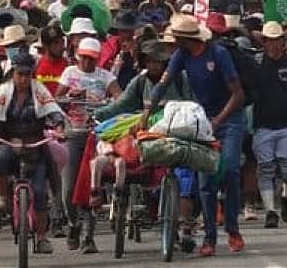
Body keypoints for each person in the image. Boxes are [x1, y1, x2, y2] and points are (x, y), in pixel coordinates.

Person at [140, 15, 245, 257]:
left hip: (229, 119)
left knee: (229, 170)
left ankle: (233, 229)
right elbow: (162, 85)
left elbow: (238, 94)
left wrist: (218, 120)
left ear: (186, 38)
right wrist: (145, 115)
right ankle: (209, 237)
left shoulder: (218, 54)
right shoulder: (181, 55)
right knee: (206, 179)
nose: (173, 42)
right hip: (202, 120)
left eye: (176, 38)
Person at [91, 37, 199, 252]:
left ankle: (186, 227)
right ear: (143, 62)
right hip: (147, 136)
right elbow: (121, 105)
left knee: (185, 178)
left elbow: (193, 102)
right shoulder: (139, 82)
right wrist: (98, 115)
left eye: (158, 61)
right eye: (149, 61)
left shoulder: (180, 79)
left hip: (177, 133)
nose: (154, 65)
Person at [0, 52, 65, 254]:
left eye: (27, 74)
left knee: (40, 192)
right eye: (20, 74)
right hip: (9, 142)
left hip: (34, 145)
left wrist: (58, 126)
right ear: (13, 73)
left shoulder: (39, 91)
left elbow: (53, 111)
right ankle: (4, 197)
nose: (23, 78)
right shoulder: (4, 92)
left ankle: (41, 238)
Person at [54, 36, 120, 254]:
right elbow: (56, 99)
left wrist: (106, 103)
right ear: (77, 56)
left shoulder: (105, 76)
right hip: (73, 133)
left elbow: (119, 97)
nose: (87, 63)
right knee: (69, 188)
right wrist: (71, 96)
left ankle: (89, 236)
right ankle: (74, 224)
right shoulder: (69, 73)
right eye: (84, 58)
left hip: (96, 135)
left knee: (92, 185)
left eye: (92, 59)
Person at [252, 22, 287, 229]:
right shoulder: (256, 63)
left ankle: (285, 197)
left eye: (277, 40)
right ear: (264, 42)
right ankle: (270, 212)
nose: (274, 44)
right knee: (265, 170)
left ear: (282, 41)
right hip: (263, 125)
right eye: (270, 40)